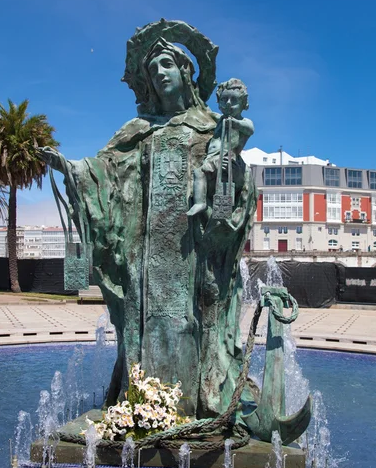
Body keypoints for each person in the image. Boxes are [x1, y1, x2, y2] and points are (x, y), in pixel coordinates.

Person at [38, 21, 257, 420]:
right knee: (144, 322)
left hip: (191, 250)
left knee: (187, 321)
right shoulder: (138, 131)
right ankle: (143, 405)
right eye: (153, 69)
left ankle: (188, 403)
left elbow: (235, 174)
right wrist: (70, 168)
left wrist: (231, 179)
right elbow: (103, 171)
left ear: (186, 73)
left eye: (167, 65)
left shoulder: (211, 127)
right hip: (144, 252)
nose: (159, 74)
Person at [187, 78, 254, 217]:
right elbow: (208, 113)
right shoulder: (220, 119)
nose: (228, 103)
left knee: (224, 186)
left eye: (234, 100)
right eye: (224, 100)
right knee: (198, 173)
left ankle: (221, 210)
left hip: (227, 159)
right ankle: (200, 202)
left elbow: (250, 129)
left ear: (244, 103)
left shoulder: (243, 121)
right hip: (211, 159)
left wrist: (235, 123)